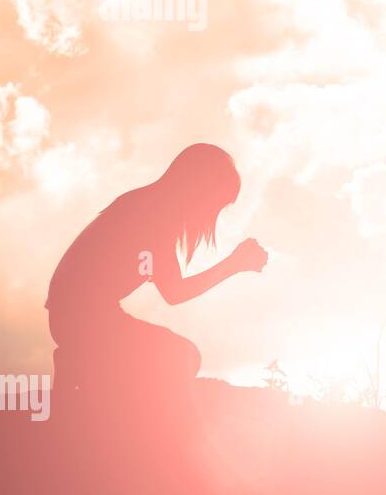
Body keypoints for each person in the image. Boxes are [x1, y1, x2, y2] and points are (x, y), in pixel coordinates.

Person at [45, 143, 267, 400]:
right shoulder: (154, 215)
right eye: (217, 203)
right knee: (181, 359)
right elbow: (175, 292)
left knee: (175, 358)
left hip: (79, 315)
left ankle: (81, 364)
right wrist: (234, 264)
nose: (214, 213)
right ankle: (83, 366)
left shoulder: (147, 205)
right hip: (83, 319)